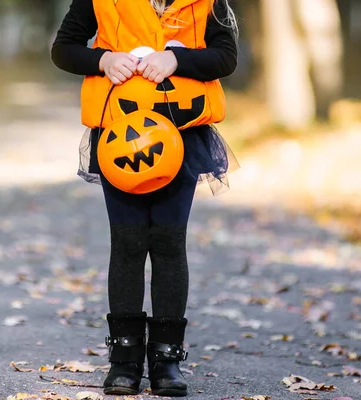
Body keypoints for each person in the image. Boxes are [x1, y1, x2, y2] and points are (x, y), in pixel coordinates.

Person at [51, 0, 239, 397]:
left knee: (169, 243)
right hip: (121, 136)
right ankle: (125, 360)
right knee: (129, 242)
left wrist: (176, 60)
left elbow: (226, 57)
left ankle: (167, 360)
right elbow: (64, 48)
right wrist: (103, 60)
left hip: (182, 133)